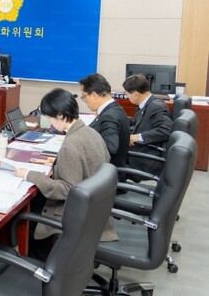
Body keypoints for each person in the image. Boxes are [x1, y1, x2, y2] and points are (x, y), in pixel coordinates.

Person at [13, 88, 117, 258]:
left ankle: (36, 262)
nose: (50, 123)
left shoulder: (71, 145)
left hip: (76, 214)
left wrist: (30, 175)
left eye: (49, 118)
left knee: (22, 215)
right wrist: (57, 164)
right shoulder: (91, 132)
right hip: (96, 211)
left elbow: (67, 189)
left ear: (60, 115)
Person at [79, 73, 130, 178]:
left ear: (94, 95)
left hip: (106, 176)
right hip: (106, 170)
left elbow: (111, 146)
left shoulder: (109, 116)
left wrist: (83, 141)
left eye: (84, 96)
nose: (85, 101)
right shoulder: (114, 108)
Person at [123, 74, 173, 176]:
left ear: (135, 94)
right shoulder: (147, 104)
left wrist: (138, 137)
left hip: (145, 157)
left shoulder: (156, 107)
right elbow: (138, 122)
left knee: (111, 156)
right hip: (142, 149)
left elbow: (167, 129)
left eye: (127, 94)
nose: (127, 97)